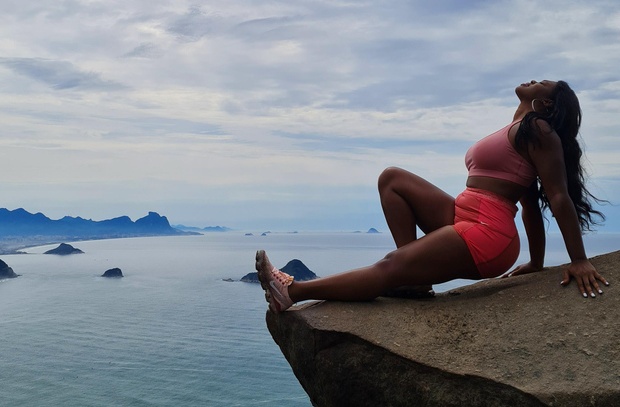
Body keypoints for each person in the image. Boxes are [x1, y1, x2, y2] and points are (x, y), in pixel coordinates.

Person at [257, 80, 609, 313]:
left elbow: (555, 197)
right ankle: (414, 280)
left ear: (545, 102)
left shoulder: (539, 129)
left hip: (488, 232)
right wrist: (535, 262)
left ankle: (292, 292)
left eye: (542, 82)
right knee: (392, 179)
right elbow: (531, 204)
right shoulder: (516, 130)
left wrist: (578, 259)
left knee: (389, 265)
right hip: (463, 213)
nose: (533, 79)